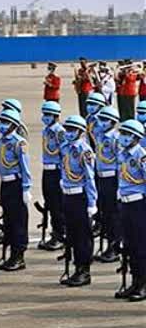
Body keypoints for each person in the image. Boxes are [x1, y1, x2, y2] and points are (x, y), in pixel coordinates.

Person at [59, 115, 97, 287]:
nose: (69, 133)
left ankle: (84, 270)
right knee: (72, 234)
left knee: (83, 236)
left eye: (73, 130)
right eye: (67, 129)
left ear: (81, 132)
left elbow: (90, 178)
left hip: (80, 197)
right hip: (68, 195)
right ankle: (76, 267)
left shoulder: (85, 151)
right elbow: (63, 168)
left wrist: (91, 203)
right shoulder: (65, 148)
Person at [0, 108, 32, 271]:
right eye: (1, 122)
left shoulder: (19, 143)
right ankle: (9, 254)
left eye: (6, 122)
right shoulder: (0, 142)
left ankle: (19, 256)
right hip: (5, 184)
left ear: (14, 125)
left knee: (18, 221)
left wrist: (26, 188)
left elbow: (25, 167)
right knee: (8, 221)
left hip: (17, 185)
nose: (2, 126)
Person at [116, 120, 146, 301]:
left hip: (139, 205)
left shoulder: (141, 157)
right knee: (129, 245)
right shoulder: (123, 155)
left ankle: (143, 283)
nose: (123, 137)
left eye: (127, 134)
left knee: (142, 245)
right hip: (125, 204)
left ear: (136, 137)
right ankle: (135, 281)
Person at [92, 106, 121, 263]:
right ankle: (108, 243)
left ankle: (114, 246)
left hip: (112, 179)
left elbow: (120, 162)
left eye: (105, 120)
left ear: (113, 122)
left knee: (113, 214)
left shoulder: (116, 139)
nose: (101, 123)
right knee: (103, 213)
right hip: (101, 178)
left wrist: (120, 185)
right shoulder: (100, 137)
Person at [38, 101, 66, 251]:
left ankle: (60, 234)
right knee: (49, 202)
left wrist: (63, 176)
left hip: (57, 171)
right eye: (44, 114)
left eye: (48, 114)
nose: (45, 117)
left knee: (57, 205)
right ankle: (54, 232)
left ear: (56, 116)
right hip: (47, 170)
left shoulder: (59, 132)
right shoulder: (46, 131)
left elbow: (64, 154)